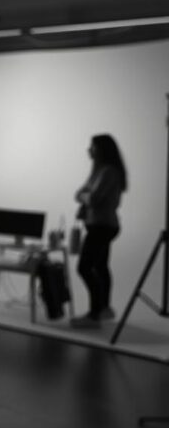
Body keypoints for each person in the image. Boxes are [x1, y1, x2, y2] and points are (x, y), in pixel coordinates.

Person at [70, 134, 128, 329]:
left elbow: (90, 198)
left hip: (102, 226)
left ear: (101, 149)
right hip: (102, 225)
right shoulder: (99, 171)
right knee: (101, 267)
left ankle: (95, 315)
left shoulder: (108, 172)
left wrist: (84, 196)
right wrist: (84, 195)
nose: (89, 150)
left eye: (92, 147)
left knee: (84, 268)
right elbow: (80, 193)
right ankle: (104, 309)